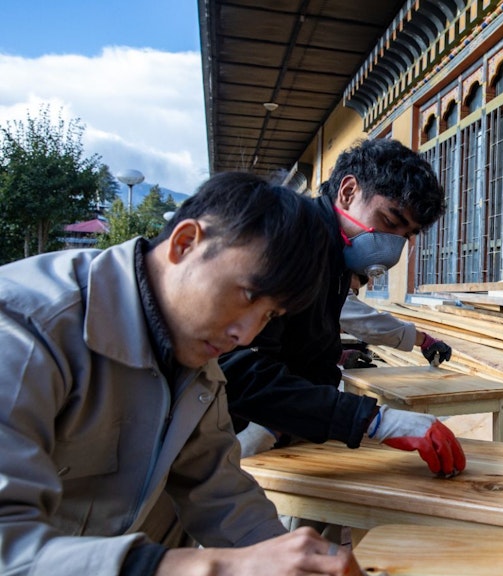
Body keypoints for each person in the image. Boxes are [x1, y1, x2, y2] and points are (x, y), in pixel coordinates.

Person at [0, 172, 361, 575]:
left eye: (270, 316)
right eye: (247, 295)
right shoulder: (24, 330)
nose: (246, 336)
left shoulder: (193, 359)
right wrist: (216, 567)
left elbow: (217, 488)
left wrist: (291, 560)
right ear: (185, 243)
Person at [220, 138, 466, 477]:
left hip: (283, 423)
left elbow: (314, 356)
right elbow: (236, 368)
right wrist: (372, 419)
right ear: (348, 192)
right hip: (229, 431)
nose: (394, 245)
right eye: (390, 221)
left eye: (407, 234)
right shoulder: (290, 239)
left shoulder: (335, 258)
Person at [338, 274, 452, 369]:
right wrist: (425, 341)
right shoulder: (333, 287)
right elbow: (372, 326)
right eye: (352, 291)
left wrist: (339, 357)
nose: (351, 296)